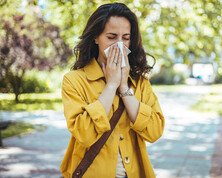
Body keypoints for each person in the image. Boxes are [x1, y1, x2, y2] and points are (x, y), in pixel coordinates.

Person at [60, 2, 165, 178]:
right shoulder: (74, 80)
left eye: (125, 38)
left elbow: (154, 132)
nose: (119, 45)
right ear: (96, 38)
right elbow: (84, 134)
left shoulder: (139, 83)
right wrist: (110, 86)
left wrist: (124, 87)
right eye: (111, 37)